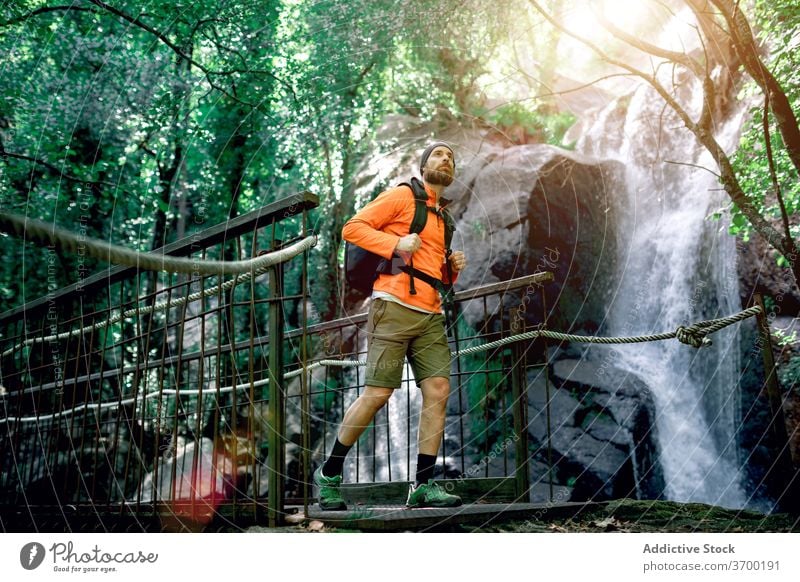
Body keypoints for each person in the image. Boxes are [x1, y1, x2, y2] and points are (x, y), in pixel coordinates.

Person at [314, 142, 467, 509]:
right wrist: (396, 240)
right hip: (393, 306)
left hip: (430, 314)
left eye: (450, 158)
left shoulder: (443, 219)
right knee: (379, 393)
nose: (444, 160)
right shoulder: (402, 197)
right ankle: (330, 472)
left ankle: (424, 486)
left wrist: (452, 268)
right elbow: (353, 228)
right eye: (437, 155)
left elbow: (437, 275)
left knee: (438, 389)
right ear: (424, 164)